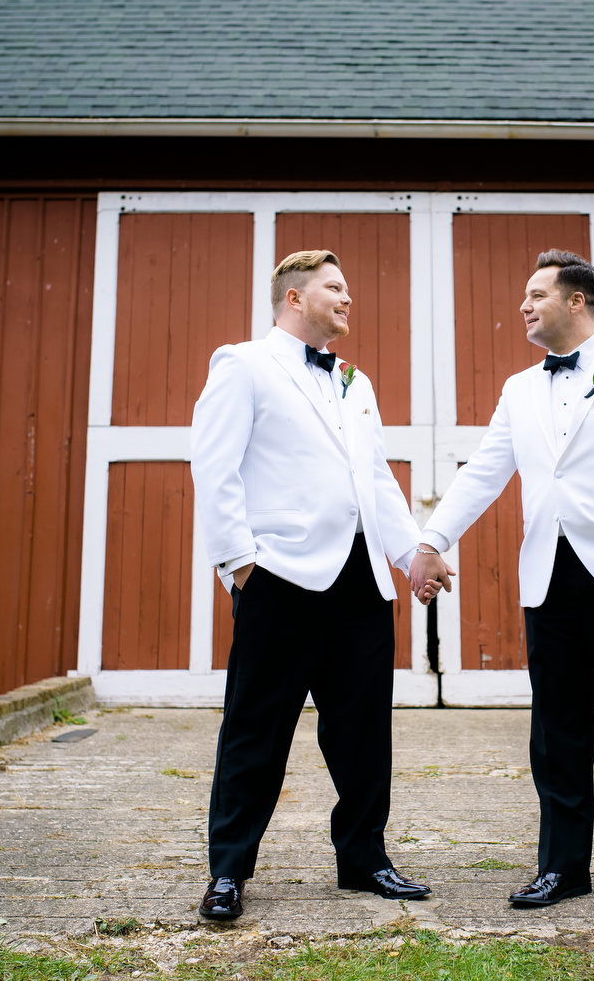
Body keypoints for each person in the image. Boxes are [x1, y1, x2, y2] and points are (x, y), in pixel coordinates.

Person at [409, 249, 594, 907]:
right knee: (558, 732)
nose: (524, 305)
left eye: (537, 294)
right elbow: (485, 470)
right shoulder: (519, 389)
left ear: (576, 301)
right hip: (548, 581)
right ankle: (563, 866)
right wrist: (431, 539)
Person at [190, 250, 434, 919]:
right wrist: (240, 564)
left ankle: (364, 858)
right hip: (280, 575)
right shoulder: (242, 364)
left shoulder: (356, 381)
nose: (348, 297)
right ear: (294, 298)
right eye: (335, 287)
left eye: (348, 287)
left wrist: (412, 551)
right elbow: (214, 468)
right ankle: (229, 870)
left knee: (362, 731)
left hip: (360, 581)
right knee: (255, 730)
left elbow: (376, 479)